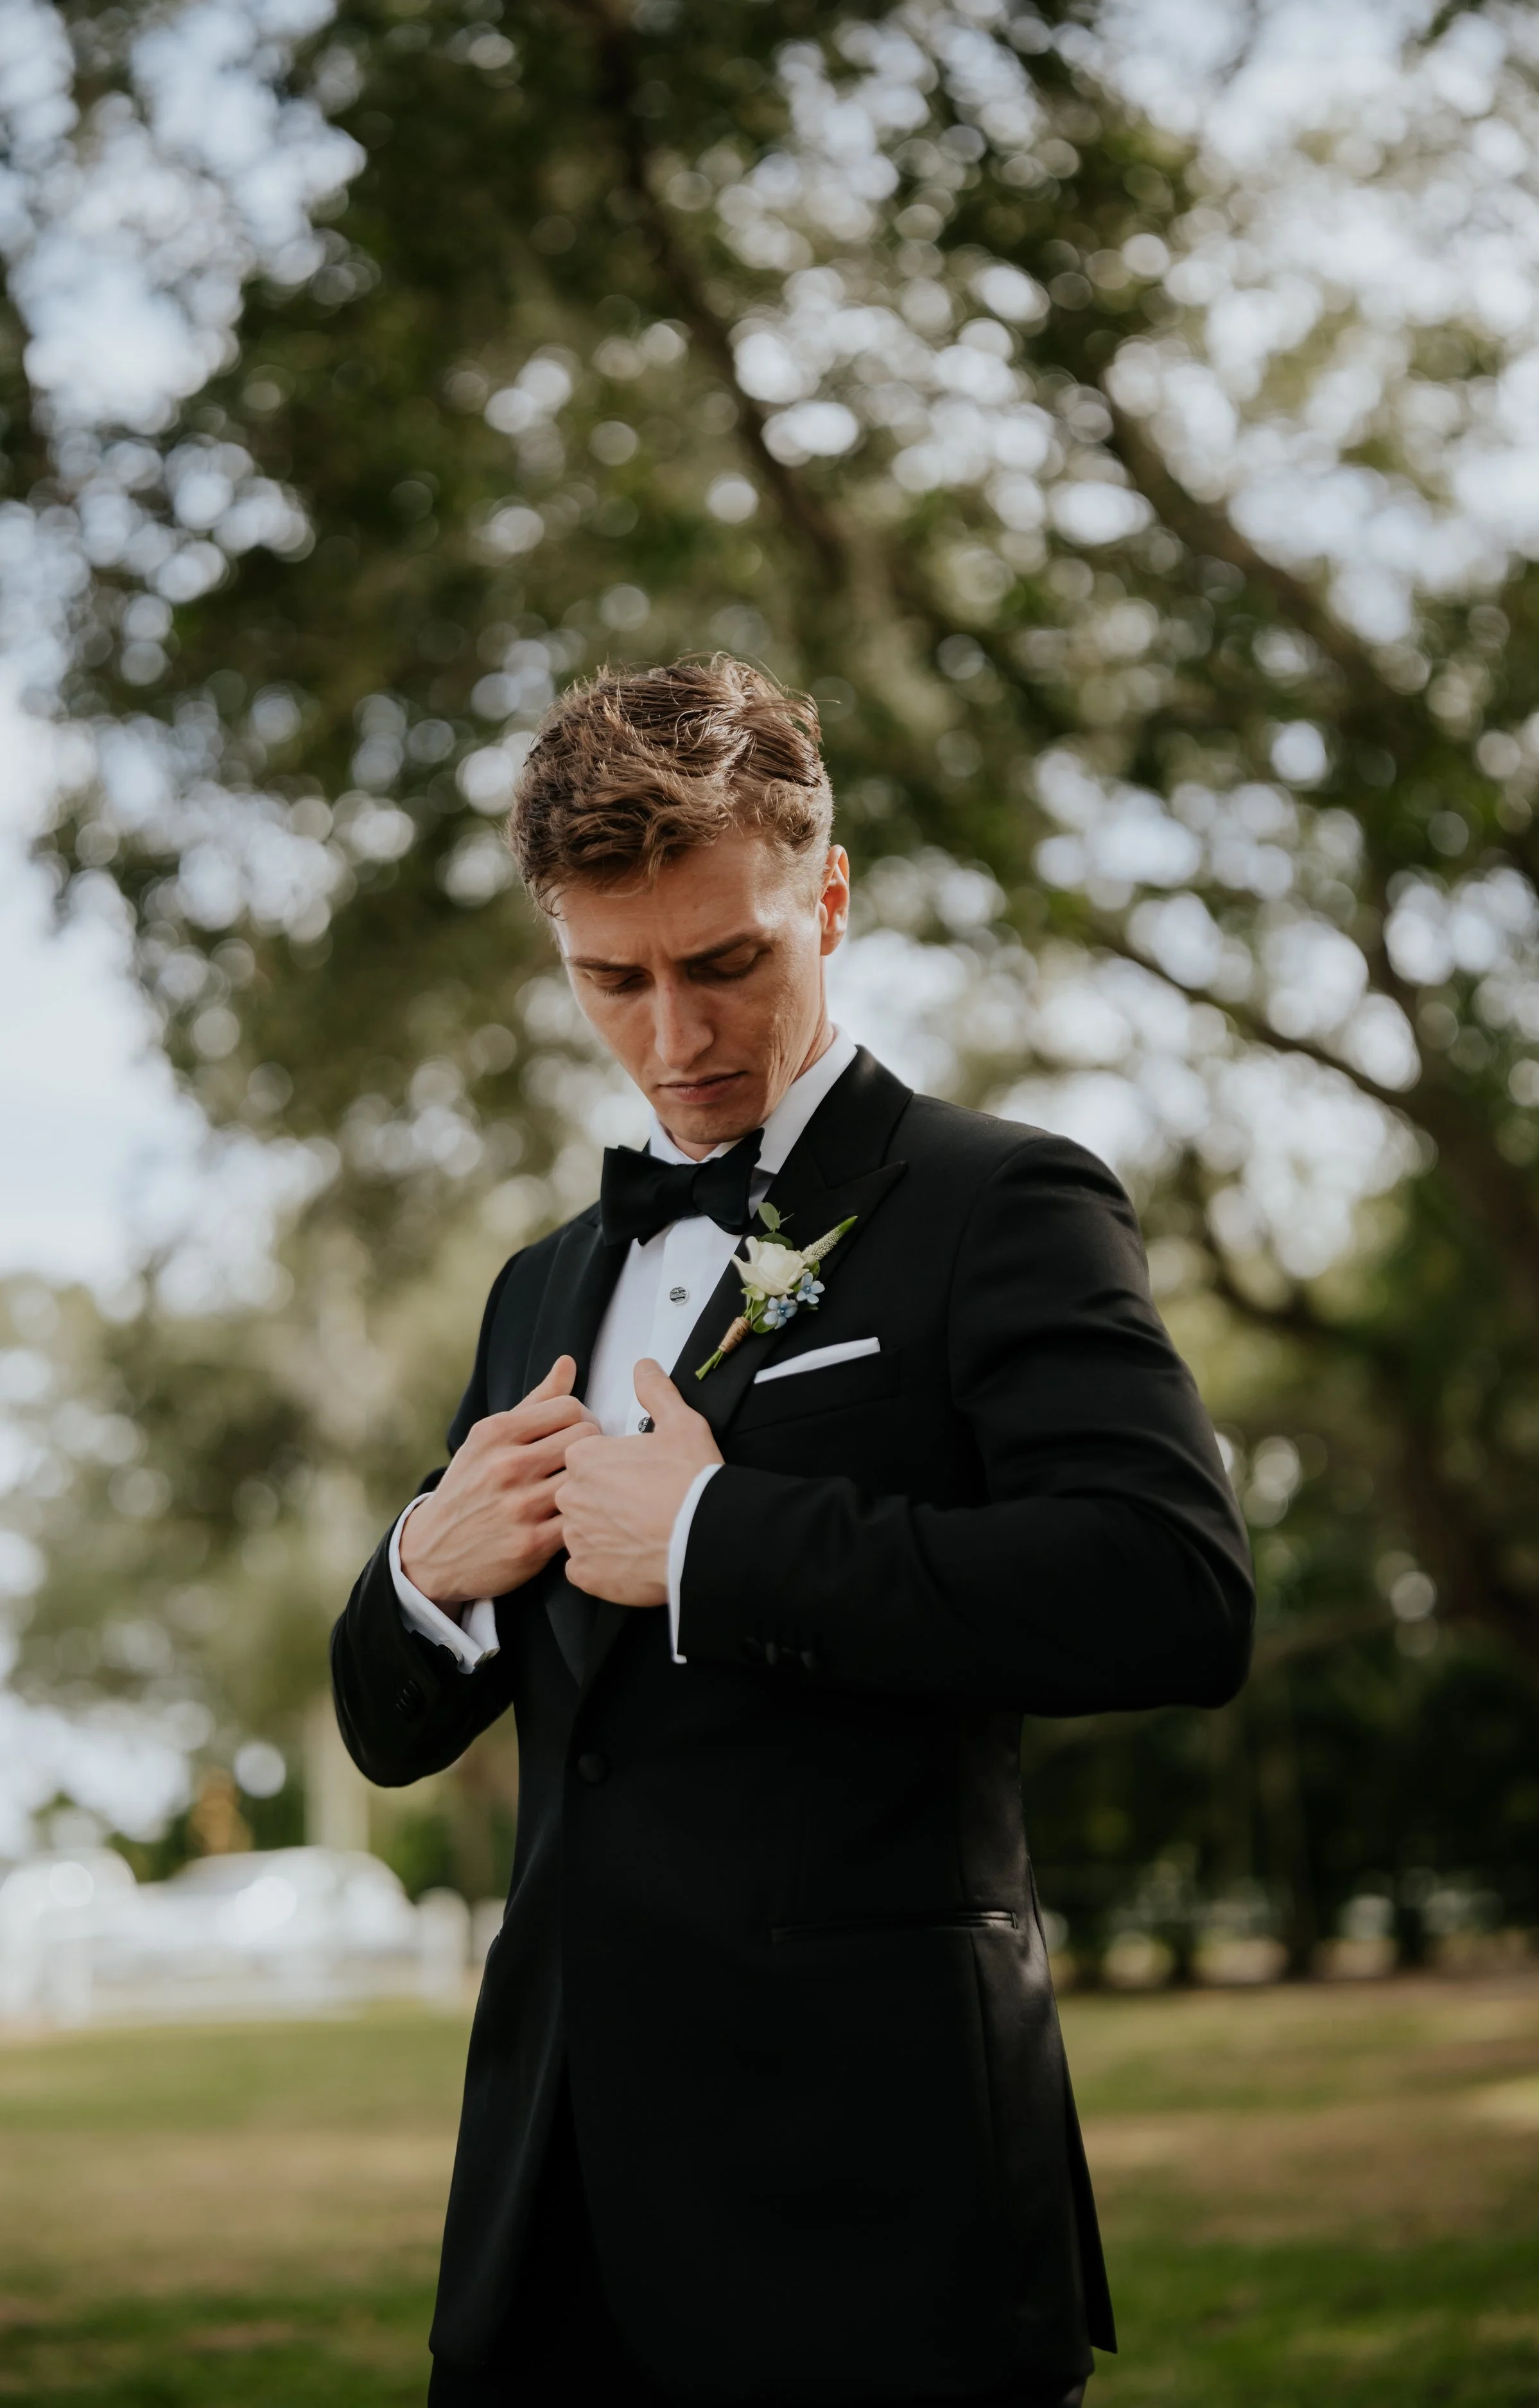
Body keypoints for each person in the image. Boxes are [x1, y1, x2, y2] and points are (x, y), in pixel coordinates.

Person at [330, 656, 1255, 2408]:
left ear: (826, 899)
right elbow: (393, 1733)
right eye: (613, 980)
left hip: (874, 2214)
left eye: (725, 963)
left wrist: (714, 1539)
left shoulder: (1004, 1203)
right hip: (548, 2232)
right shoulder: (539, 1284)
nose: (674, 1041)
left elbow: (1172, 1588)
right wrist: (419, 1577)